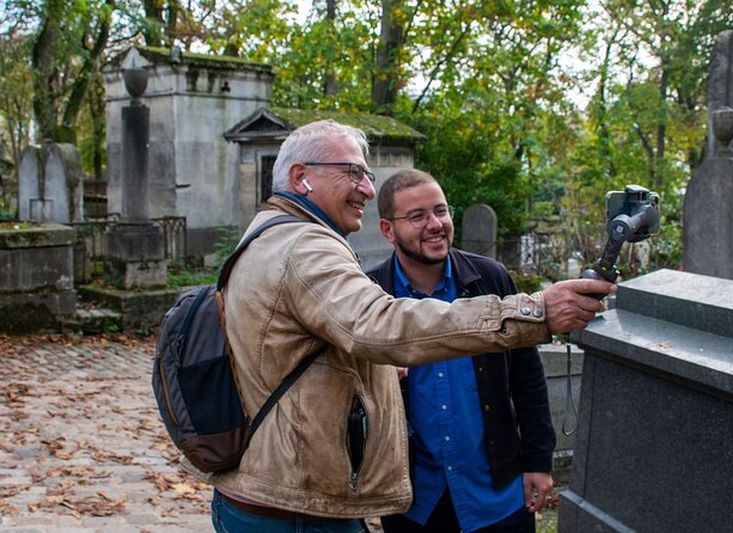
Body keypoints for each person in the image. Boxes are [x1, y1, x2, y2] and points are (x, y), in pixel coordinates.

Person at [209, 120, 614, 532]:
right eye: (353, 172)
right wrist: (536, 311)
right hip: (295, 509)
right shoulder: (305, 245)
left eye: (367, 175)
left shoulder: (269, 234)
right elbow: (379, 325)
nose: (367, 188)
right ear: (302, 177)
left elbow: (307, 352)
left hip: (285, 492)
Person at [367, 169, 555, 533]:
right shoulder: (372, 292)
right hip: (415, 500)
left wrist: (538, 460)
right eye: (418, 216)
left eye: (441, 211)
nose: (436, 224)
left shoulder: (492, 279)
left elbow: (527, 376)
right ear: (388, 230)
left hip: (496, 494)